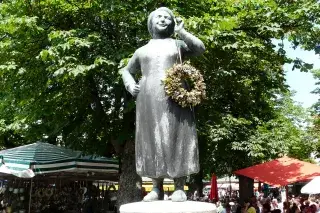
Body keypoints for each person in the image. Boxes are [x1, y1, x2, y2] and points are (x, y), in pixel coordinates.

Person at [121, 7, 205, 202]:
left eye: (168, 17)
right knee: (150, 139)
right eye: (159, 16)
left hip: (176, 98)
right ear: (151, 22)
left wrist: (182, 32)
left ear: (172, 23)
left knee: (178, 136)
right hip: (147, 100)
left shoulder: (178, 45)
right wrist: (130, 83)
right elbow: (126, 70)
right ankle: (155, 187)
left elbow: (200, 48)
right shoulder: (142, 50)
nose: (163, 19)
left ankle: (178, 186)